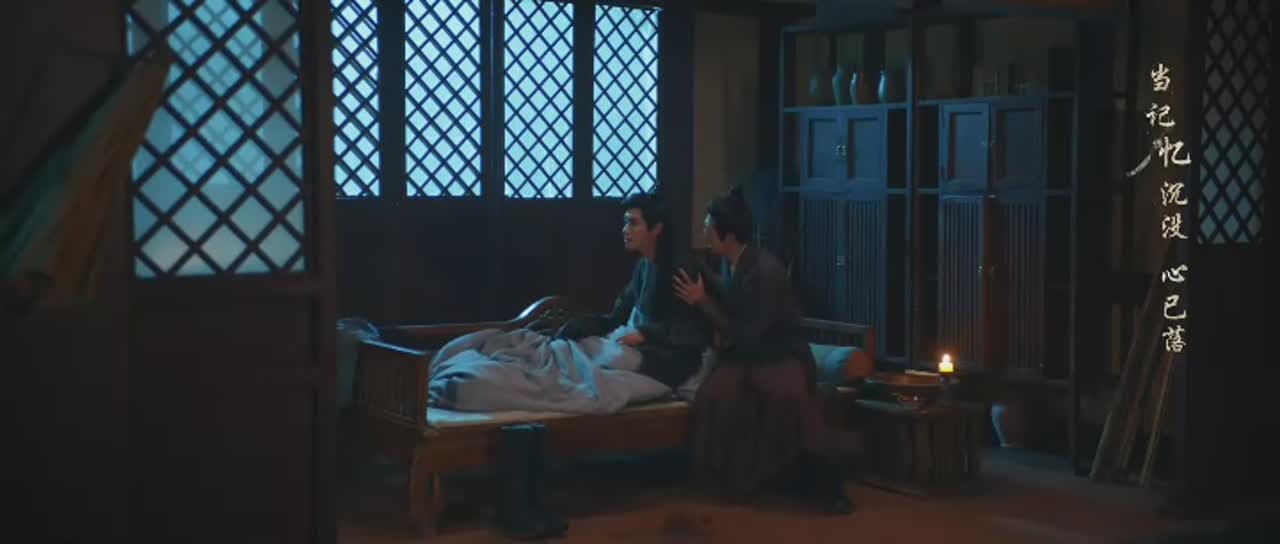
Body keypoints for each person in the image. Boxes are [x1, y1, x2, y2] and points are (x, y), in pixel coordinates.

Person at [673, 185, 853, 514]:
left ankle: (826, 484)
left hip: (780, 355)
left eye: (709, 227)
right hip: (750, 355)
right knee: (716, 392)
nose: (704, 233)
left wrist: (703, 302)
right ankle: (732, 478)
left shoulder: (766, 272)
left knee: (786, 397)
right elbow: (734, 303)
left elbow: (748, 332)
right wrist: (706, 291)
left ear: (728, 235)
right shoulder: (735, 262)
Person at [554, 192, 710, 389]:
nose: (625, 230)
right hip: (644, 348)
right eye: (625, 223)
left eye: (633, 224)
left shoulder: (680, 268)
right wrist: (580, 326)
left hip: (672, 359)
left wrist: (646, 334)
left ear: (656, 228)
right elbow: (617, 316)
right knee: (580, 345)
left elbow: (692, 328)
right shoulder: (644, 266)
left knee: (611, 358)